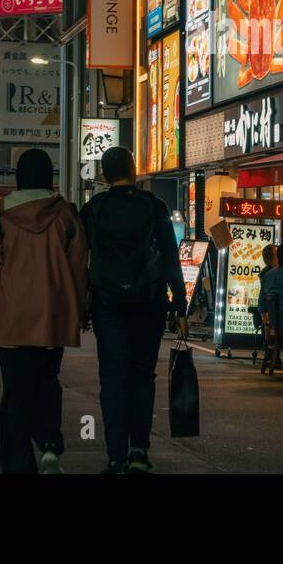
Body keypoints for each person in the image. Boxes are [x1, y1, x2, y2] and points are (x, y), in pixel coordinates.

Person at [0, 149, 88, 474]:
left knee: (15, 394)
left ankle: (17, 465)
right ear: (48, 178)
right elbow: (79, 268)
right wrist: (79, 310)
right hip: (52, 318)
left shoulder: (3, 214)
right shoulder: (67, 214)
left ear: (19, 178)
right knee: (48, 382)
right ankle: (50, 444)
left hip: (10, 318)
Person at [80, 147, 188, 475]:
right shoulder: (155, 206)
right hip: (149, 302)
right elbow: (171, 257)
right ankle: (139, 451)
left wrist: (81, 302)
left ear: (105, 174)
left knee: (112, 379)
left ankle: (116, 456)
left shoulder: (94, 208)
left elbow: (80, 260)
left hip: (107, 304)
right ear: (134, 169)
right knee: (142, 375)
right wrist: (180, 305)